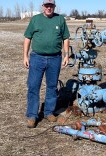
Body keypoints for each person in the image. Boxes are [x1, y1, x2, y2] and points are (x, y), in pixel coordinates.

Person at [23, 0, 70, 128]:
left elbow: (66, 38)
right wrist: (25, 56)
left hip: (55, 58)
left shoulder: (60, 19)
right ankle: (32, 115)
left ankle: (49, 112)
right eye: (46, 5)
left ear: (54, 6)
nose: (49, 8)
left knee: (52, 86)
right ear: (43, 6)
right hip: (37, 58)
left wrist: (66, 55)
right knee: (33, 86)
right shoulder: (35, 19)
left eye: (51, 5)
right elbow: (27, 37)